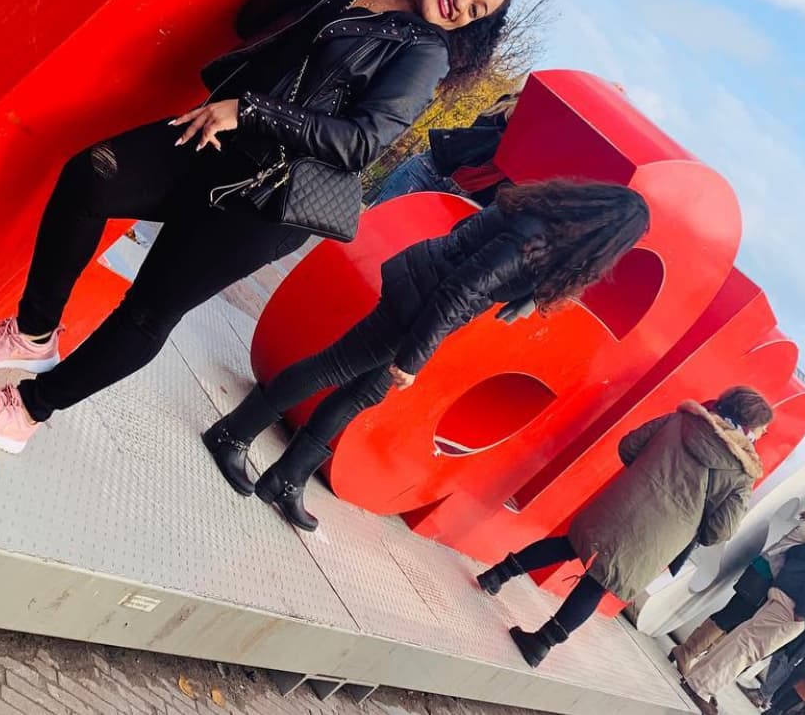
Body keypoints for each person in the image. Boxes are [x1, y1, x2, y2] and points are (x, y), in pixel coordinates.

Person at [0, 0, 539, 452]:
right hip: (213, 139)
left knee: (146, 312)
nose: (464, 1)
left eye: (478, 8)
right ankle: (36, 332)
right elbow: (251, 22)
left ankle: (27, 410)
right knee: (91, 176)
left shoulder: (424, 53)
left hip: (264, 199)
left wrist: (251, 111)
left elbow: (361, 141)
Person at [202, 179, 649, 532]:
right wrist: (413, 359)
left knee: (362, 393)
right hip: (421, 305)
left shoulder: (540, 212)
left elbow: (466, 239)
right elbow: (462, 288)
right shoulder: (538, 242)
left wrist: (528, 295)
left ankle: (287, 478)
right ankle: (232, 434)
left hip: (420, 291)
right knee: (332, 367)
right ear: (607, 237)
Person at [478, 386, 772, 668]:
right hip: (657, 538)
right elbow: (719, 532)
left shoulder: (682, 420)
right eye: (762, 428)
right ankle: (540, 645)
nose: (763, 434)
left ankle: (497, 575)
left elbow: (629, 446)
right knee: (600, 583)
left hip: (622, 503)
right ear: (749, 426)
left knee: (569, 544)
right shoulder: (742, 475)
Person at [671, 505, 805, 675]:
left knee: (736, 622)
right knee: (729, 616)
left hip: (766, 576)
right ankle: (686, 651)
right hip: (764, 576)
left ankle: (693, 656)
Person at [682, 536, 805, 715]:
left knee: (743, 638)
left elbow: (800, 554)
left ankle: (698, 679)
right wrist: (804, 612)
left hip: (789, 593)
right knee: (750, 647)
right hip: (796, 605)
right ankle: (700, 686)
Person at [370, 89, 520, 206]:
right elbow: (472, 141)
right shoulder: (506, 110)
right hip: (428, 171)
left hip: (457, 200)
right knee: (374, 226)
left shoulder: (534, 166)